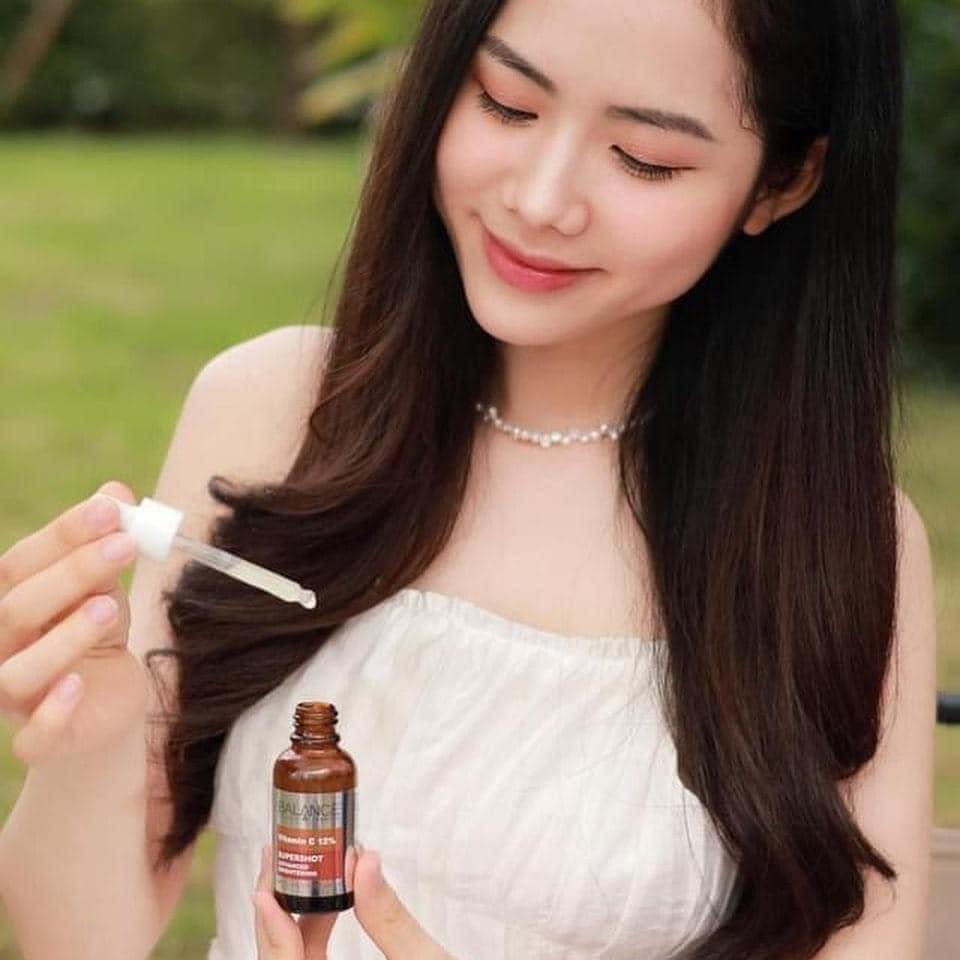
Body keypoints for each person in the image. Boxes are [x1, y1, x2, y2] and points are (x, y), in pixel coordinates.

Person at [0, 0, 938, 957]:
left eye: (644, 158)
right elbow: (82, 942)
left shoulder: (834, 545)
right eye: (506, 104)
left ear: (784, 179)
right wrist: (89, 748)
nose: (541, 199)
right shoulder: (272, 408)